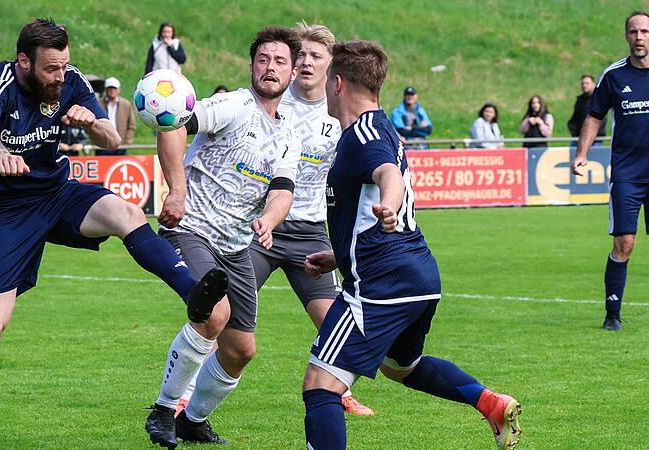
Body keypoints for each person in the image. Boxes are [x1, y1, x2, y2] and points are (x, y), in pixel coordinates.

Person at [0, 19, 229, 450]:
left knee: (125, 211)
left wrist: (92, 122)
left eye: (65, 66)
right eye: (51, 68)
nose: (61, 76)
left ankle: (193, 293)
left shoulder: (69, 81)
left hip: (56, 192)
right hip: (7, 210)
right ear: (24, 62)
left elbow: (110, 138)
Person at [301, 40, 521, 450]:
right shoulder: (382, 126)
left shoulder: (365, 134)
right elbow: (375, 199)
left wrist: (389, 200)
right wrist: (340, 253)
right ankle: (489, 403)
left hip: (382, 284)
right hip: (417, 276)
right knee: (403, 368)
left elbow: (388, 174)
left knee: (320, 387)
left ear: (336, 83)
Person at [144, 25, 301, 448]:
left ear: (292, 73)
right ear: (252, 66)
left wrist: (269, 220)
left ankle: (192, 420)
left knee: (240, 350)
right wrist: (176, 190)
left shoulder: (289, 132)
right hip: (192, 228)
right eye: (263, 59)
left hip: (236, 245)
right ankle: (163, 409)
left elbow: (284, 190)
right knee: (214, 315)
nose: (270, 67)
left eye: (280, 62)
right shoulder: (234, 104)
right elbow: (173, 125)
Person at [572, 11, 649, 332]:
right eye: (634, 32)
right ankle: (612, 313)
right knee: (624, 244)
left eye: (645, 31)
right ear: (626, 36)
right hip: (628, 175)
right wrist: (582, 154)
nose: (640, 37)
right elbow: (594, 115)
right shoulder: (614, 75)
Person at [97, 76, 136, 155]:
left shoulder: (126, 104)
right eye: (109, 88)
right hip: (103, 145)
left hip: (121, 146)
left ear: (119, 89)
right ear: (106, 89)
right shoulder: (98, 103)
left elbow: (131, 125)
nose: (112, 91)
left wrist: (127, 143)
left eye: (114, 88)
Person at [567, 74, 607, 145]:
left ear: (593, 84)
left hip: (595, 139)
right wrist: (575, 132)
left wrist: (593, 134)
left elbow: (601, 119)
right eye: (582, 83)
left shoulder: (599, 99)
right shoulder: (580, 100)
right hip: (579, 138)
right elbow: (575, 118)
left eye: (587, 83)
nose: (584, 85)